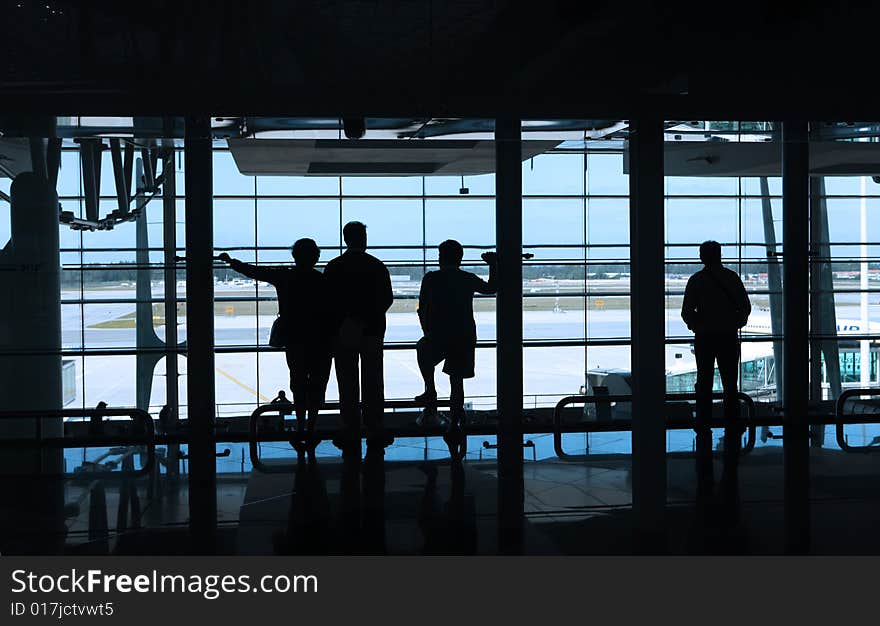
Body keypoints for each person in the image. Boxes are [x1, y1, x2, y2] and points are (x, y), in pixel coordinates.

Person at [218, 239, 331, 448]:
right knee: (317, 384)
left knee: (298, 382)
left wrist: (232, 262)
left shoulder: (285, 276)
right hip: (320, 340)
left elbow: (255, 271)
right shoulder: (323, 280)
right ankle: (312, 427)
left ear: (295, 256)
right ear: (316, 257)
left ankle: (300, 426)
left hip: (294, 339)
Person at [323, 221, 394, 457]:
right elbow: (386, 298)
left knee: (347, 380)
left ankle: (350, 427)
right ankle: (374, 426)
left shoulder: (334, 267)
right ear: (363, 238)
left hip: (343, 331)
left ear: (345, 239)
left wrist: (346, 321)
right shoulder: (376, 265)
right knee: (373, 380)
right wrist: (366, 318)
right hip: (372, 330)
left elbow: (329, 301)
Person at [414, 240, 497, 432]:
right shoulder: (467, 278)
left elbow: (422, 308)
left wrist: (427, 330)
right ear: (459, 258)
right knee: (456, 382)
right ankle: (456, 421)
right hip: (463, 335)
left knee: (423, 349)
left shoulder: (431, 279)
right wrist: (493, 265)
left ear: (441, 258)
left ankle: (430, 391)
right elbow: (492, 288)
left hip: (439, 334)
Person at [680, 240, 751, 433]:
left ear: (702, 257)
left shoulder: (696, 280)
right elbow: (745, 307)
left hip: (705, 338)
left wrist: (698, 326)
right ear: (719, 255)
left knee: (704, 380)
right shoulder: (732, 278)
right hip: (728, 337)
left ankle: (703, 422)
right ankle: (732, 421)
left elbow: (686, 311)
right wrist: (733, 324)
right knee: (730, 382)